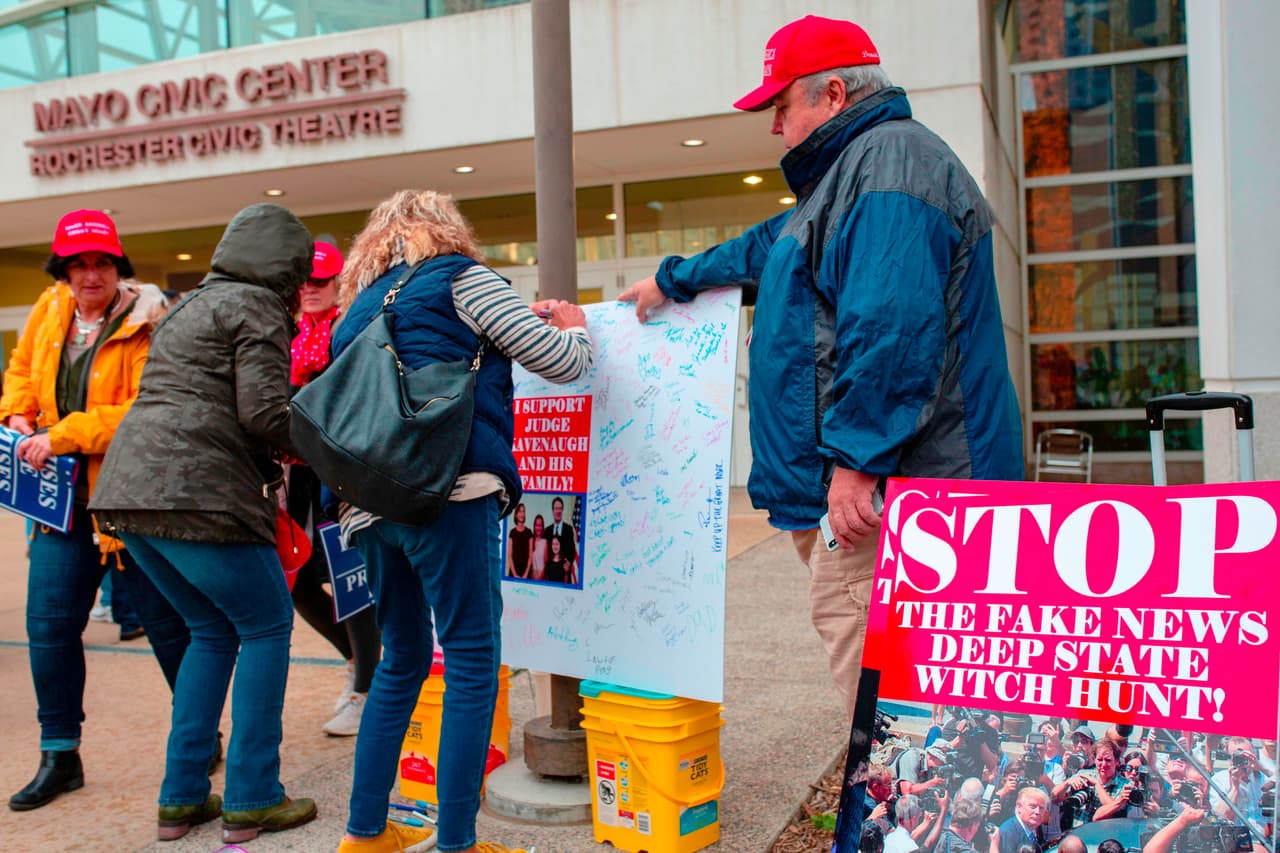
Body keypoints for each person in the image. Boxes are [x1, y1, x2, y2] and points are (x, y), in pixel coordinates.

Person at [619, 13, 1023, 717]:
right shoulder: (847, 181)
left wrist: (857, 460)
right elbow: (759, 250)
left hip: (896, 493)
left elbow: (892, 327)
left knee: (895, 698)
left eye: (782, 106)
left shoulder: (891, 163)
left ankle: (912, 824)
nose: (775, 127)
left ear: (833, 94)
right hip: (888, 489)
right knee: (907, 686)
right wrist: (670, 280)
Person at [329, 190, 592, 853]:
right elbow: (563, 362)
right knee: (473, 660)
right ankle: (457, 843)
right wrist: (575, 325)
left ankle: (364, 835)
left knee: (401, 660)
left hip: (371, 506)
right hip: (449, 490)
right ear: (448, 231)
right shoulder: (462, 277)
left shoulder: (353, 311)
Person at [90, 203, 317, 842]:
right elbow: (265, 412)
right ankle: (253, 796)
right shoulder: (259, 307)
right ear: (286, 270)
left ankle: (182, 797)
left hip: (128, 491)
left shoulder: (188, 304)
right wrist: (325, 441)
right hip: (200, 492)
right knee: (269, 625)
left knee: (209, 632)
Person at [2, 209, 194, 812]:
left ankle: (197, 737)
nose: (90, 274)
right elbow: (22, 371)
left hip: (132, 500)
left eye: (101, 263)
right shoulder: (48, 308)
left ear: (118, 266)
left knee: (168, 628)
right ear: (62, 268)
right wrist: (17, 414)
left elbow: (147, 410)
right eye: (78, 263)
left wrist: (60, 435)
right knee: (50, 627)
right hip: (60, 506)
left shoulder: (149, 319)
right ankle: (60, 754)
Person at [285, 240, 382, 737]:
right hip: (299, 476)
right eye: (303, 280)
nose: (310, 290)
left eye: (320, 280)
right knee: (298, 582)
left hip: (343, 473)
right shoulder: (288, 333)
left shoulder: (351, 328)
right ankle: (355, 663)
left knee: (352, 581)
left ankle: (367, 687)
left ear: (339, 282)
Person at [997, 787, 1051, 853]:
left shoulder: (1035, 825)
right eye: (1033, 807)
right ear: (1019, 806)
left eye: (1041, 808)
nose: (1038, 812)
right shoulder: (1008, 833)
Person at [544, 495, 576, 568]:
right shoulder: (547, 530)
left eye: (560, 508)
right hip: (550, 572)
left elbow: (572, 552)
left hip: (564, 572)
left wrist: (569, 563)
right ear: (553, 511)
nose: (558, 511)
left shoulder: (569, 529)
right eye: (556, 508)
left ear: (562, 510)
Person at [506, 503, 533, 579]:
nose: (522, 514)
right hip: (514, 572)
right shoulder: (512, 532)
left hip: (526, 572)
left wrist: (525, 574)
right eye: (520, 511)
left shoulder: (529, 532)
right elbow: (509, 555)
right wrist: (515, 575)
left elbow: (530, 556)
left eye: (523, 511)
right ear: (516, 515)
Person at [529, 514, 548, 581]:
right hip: (531, 576)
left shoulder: (545, 542)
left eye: (540, 525)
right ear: (534, 526)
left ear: (542, 527)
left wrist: (540, 577)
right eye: (536, 525)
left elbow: (546, 563)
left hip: (542, 576)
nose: (538, 528)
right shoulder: (531, 540)